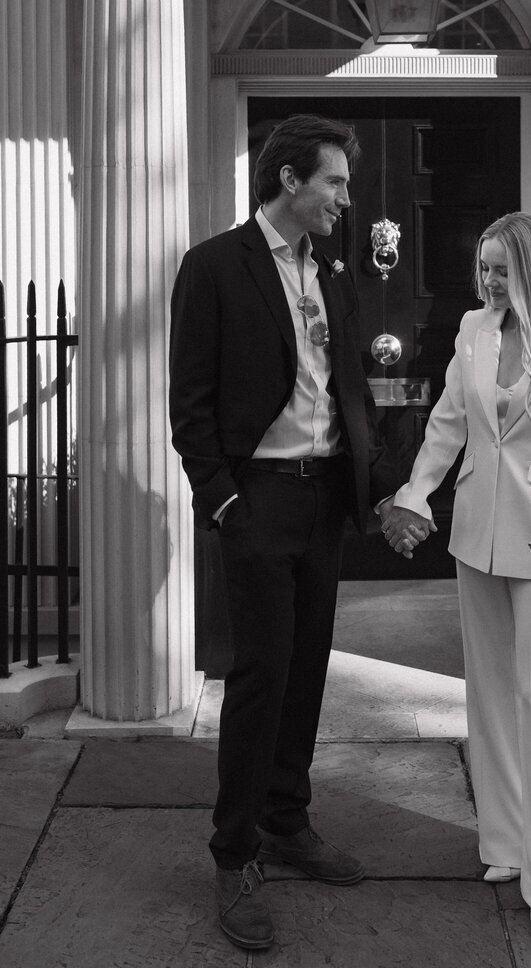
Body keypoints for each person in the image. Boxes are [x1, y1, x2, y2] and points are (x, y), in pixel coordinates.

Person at [169, 114, 407, 951]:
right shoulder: (213, 267)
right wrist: (225, 500)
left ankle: (286, 822)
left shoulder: (333, 271)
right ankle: (234, 856)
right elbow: (190, 404)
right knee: (260, 678)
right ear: (289, 181)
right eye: (336, 182)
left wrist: (377, 490)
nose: (347, 197)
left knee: (307, 671)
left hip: (322, 502)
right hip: (259, 500)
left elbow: (349, 391)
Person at [381, 212, 531, 946]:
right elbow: (450, 423)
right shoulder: (473, 329)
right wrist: (415, 493)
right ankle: (508, 844)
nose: (488, 282)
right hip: (476, 538)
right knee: (488, 698)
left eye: (500, 269)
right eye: (482, 269)